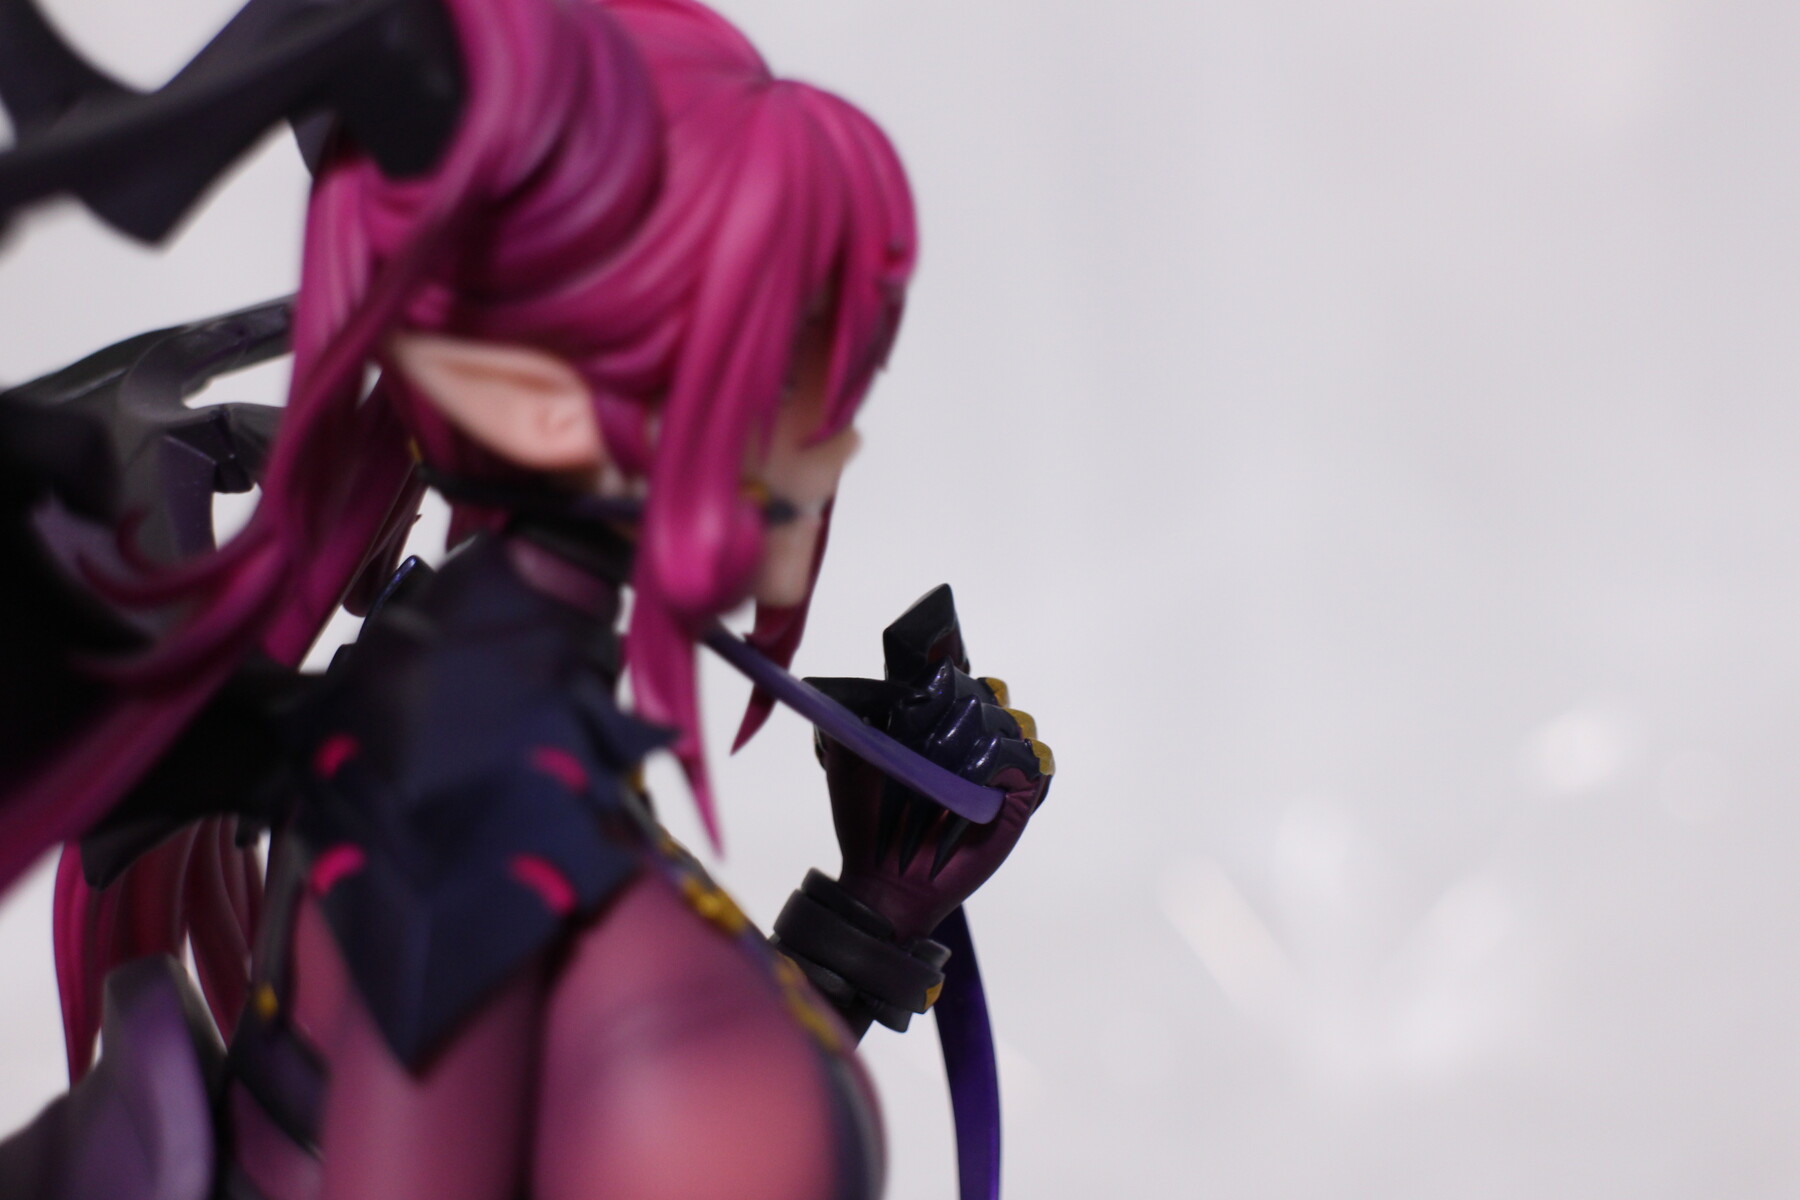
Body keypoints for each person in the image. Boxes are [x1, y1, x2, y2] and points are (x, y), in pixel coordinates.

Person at [0, 0, 1051, 1197]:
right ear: (524, 400)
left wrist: (872, 920)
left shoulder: (473, 706)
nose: (830, 445)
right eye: (774, 377)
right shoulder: (462, 778)